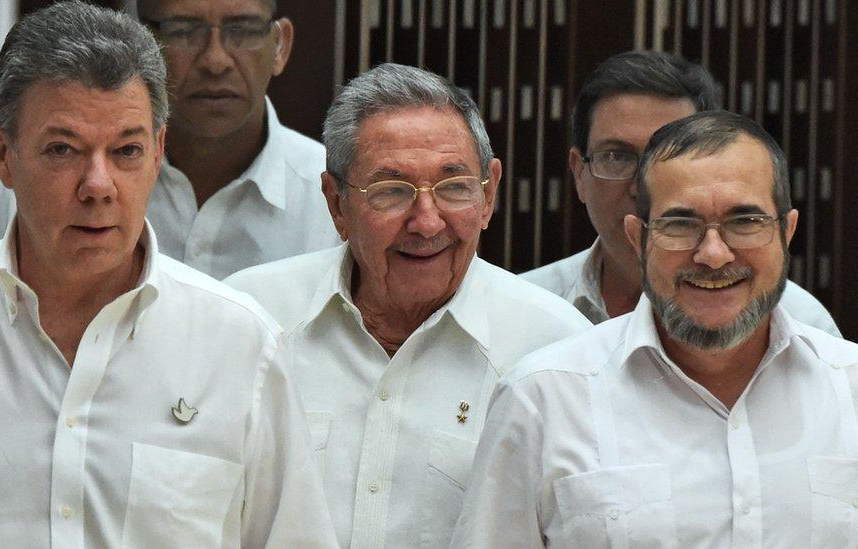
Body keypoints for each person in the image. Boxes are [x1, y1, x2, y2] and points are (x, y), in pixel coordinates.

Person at [0, 3, 336, 546]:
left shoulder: (241, 347)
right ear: (2, 154)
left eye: (126, 151)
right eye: (63, 150)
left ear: (157, 152)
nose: (98, 184)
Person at [225, 63, 591, 548]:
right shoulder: (251, 320)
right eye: (392, 191)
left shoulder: (557, 349)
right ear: (336, 204)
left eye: (454, 187)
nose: (426, 222)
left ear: (488, 195)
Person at [452, 111, 858, 548]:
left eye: (745, 221)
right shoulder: (545, 398)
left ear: (787, 231)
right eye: (681, 224)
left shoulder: (850, 387)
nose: (714, 254)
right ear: (637, 239)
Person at [0, 0, 339, 279]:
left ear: (280, 45)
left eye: (241, 30)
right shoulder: (41, 190)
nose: (216, 60)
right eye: (183, 30)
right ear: (138, 40)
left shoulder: (333, 200)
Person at [519, 51, 841, 336]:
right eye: (616, 156)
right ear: (579, 173)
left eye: (668, 154)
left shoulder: (802, 324)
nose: (640, 186)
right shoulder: (524, 310)